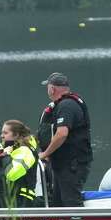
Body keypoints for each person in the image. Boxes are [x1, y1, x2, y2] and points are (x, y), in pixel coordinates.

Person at [37, 72, 93, 207]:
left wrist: (45, 153)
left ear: (52, 89)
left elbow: (62, 134)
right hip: (63, 163)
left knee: (71, 202)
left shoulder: (67, 106)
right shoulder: (63, 104)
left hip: (72, 164)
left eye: (48, 87)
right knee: (58, 203)